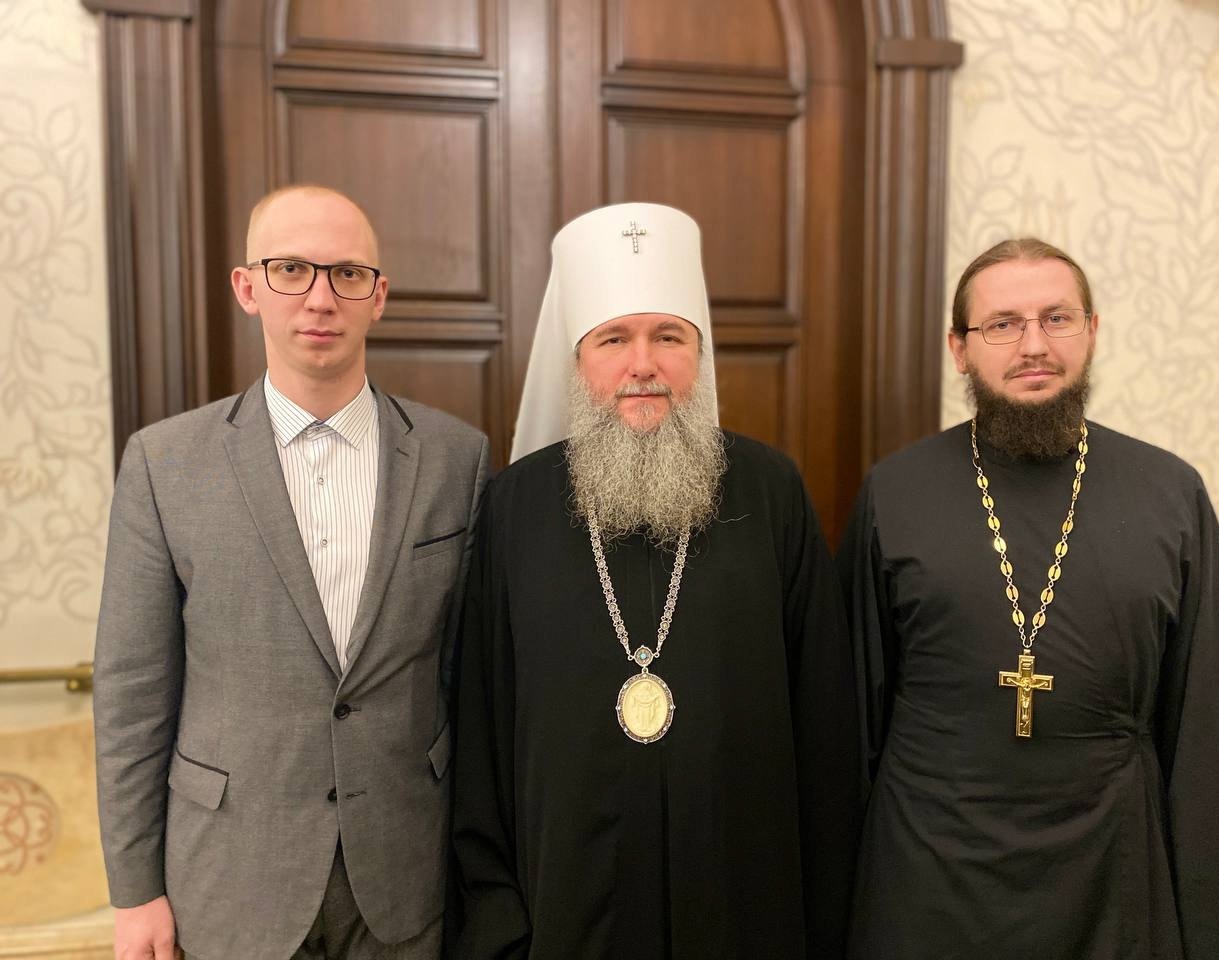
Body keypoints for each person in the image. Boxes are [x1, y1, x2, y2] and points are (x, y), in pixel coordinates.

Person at [839, 237, 1219, 958]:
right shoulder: (896, 492)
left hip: (1112, 866)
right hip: (927, 868)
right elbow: (849, 718)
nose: (1034, 345)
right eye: (1003, 324)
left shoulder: (1169, 494)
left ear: (1092, 331)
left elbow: (1211, 727)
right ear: (959, 349)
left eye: (1057, 318)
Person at [452, 202, 858, 959]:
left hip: (746, 909)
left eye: (668, 336)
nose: (643, 364)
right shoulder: (516, 507)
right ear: (578, 362)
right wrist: (500, 930)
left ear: (699, 354)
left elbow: (826, 722)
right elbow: (481, 729)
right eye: (614, 339)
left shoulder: (771, 491)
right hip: (565, 914)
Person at [93, 185, 489, 960]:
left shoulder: (456, 459)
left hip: (406, 872)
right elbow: (132, 691)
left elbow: (465, 676)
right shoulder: (164, 463)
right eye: (290, 270)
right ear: (248, 288)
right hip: (231, 876)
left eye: (347, 274)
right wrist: (134, 890)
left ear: (379, 296)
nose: (320, 297)